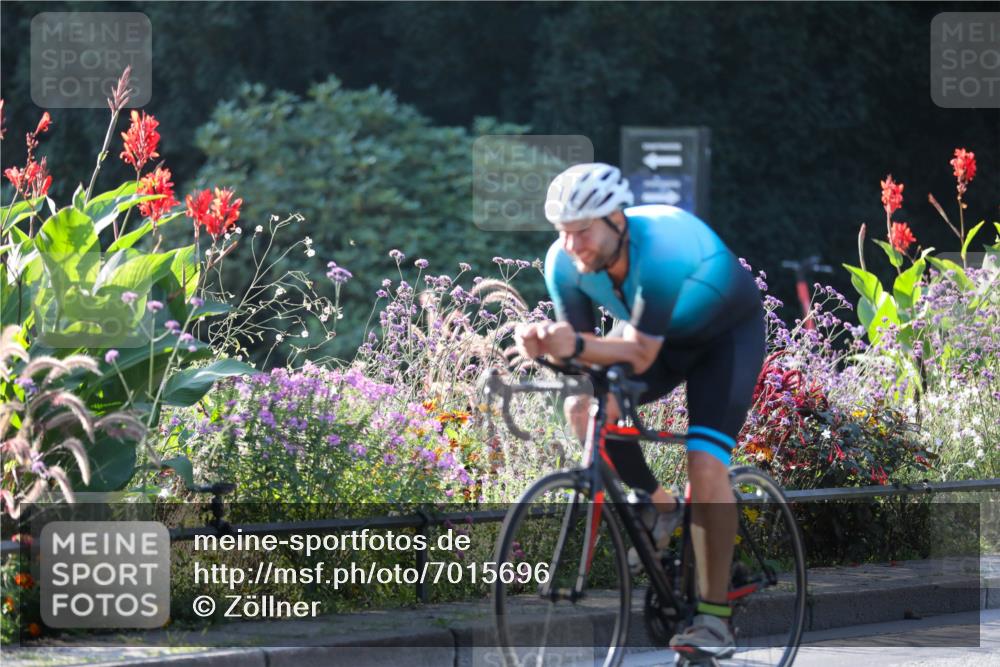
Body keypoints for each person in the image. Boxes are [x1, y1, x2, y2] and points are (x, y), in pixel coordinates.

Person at [514, 162, 766, 661]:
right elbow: (585, 360)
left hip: (724, 339)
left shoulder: (662, 247)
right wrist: (544, 345)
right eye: (563, 233)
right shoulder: (563, 263)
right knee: (583, 408)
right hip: (655, 339)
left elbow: (641, 355)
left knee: (705, 461)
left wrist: (574, 342)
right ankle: (658, 501)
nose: (572, 246)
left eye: (582, 231)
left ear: (616, 219)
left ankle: (714, 622)